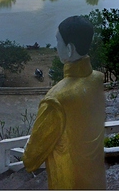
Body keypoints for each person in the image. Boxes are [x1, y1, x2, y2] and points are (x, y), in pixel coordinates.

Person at [22, 16, 106, 189]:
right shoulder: (97, 79)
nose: (56, 46)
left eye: (58, 41)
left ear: (69, 49)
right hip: (96, 182)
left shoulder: (56, 99)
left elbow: (30, 160)